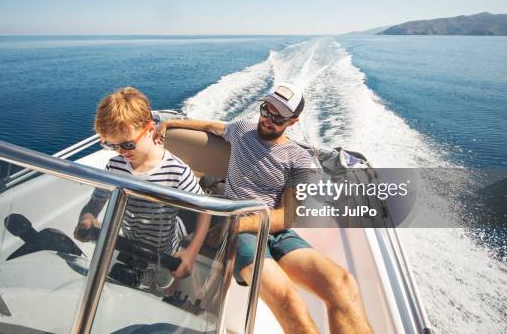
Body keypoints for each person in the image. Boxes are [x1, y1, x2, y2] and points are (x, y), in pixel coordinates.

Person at [154, 83, 373, 334]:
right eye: (265, 110)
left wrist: (237, 223)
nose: (267, 119)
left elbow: (287, 215)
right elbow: (209, 126)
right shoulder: (242, 130)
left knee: (343, 285)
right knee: (288, 300)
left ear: (293, 121)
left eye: (277, 117)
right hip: (243, 234)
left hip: (272, 230)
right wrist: (167, 125)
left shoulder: (298, 159)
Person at [74, 87, 211, 279]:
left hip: (166, 249)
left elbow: (205, 210)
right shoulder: (114, 166)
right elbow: (97, 200)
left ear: (150, 129)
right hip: (130, 241)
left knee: (166, 282)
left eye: (127, 144)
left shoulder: (177, 171)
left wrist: (192, 252)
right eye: (111, 145)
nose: (121, 152)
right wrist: (87, 216)